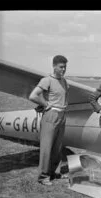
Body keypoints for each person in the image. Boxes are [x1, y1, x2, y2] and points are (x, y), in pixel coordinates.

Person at [29, 55, 69, 186]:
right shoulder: (47, 80)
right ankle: (43, 176)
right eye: (61, 67)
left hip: (62, 116)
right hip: (51, 115)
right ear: (54, 66)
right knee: (47, 147)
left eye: (65, 67)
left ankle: (54, 172)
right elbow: (33, 95)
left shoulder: (64, 81)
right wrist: (46, 104)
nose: (63, 69)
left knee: (57, 147)